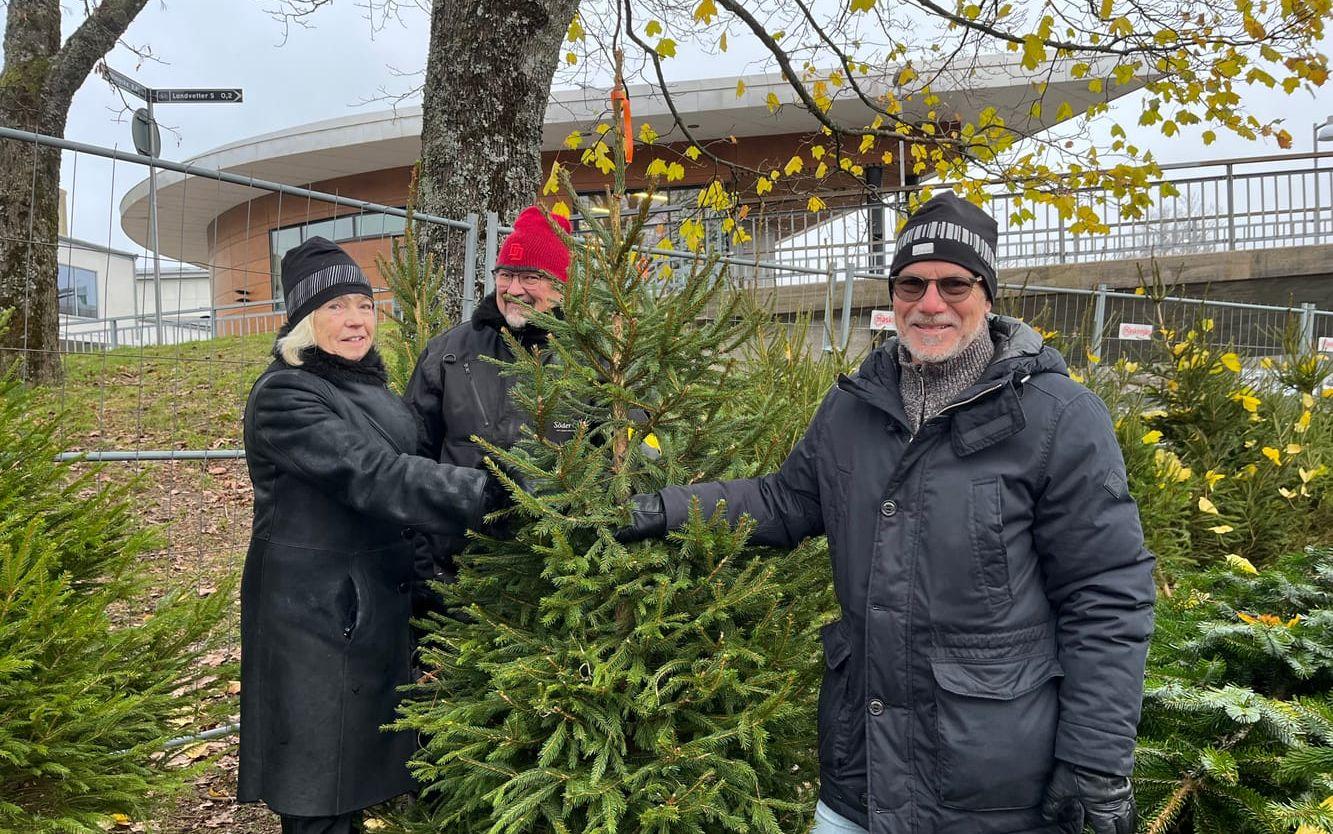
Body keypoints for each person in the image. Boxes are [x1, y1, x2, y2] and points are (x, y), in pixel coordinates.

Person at [618, 193, 1155, 834]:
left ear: (987, 294)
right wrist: (658, 510)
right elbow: (784, 500)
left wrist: (1095, 762)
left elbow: (1106, 593)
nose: (931, 303)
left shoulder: (1056, 419)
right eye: (911, 284)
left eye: (954, 284)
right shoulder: (853, 409)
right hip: (860, 775)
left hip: (993, 793)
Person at [238, 237, 504, 834]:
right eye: (335, 307)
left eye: (363, 303)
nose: (355, 320)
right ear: (305, 320)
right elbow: (372, 474)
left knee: (351, 781)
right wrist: (488, 493)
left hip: (366, 609)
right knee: (319, 793)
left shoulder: (369, 389)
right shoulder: (285, 396)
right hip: (314, 619)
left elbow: (413, 471)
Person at [403, 205, 573, 582]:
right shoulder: (447, 354)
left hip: (559, 577)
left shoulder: (591, 360)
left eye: (530, 277)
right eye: (506, 275)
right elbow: (410, 459)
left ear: (562, 286)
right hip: (456, 572)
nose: (514, 289)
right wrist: (423, 560)